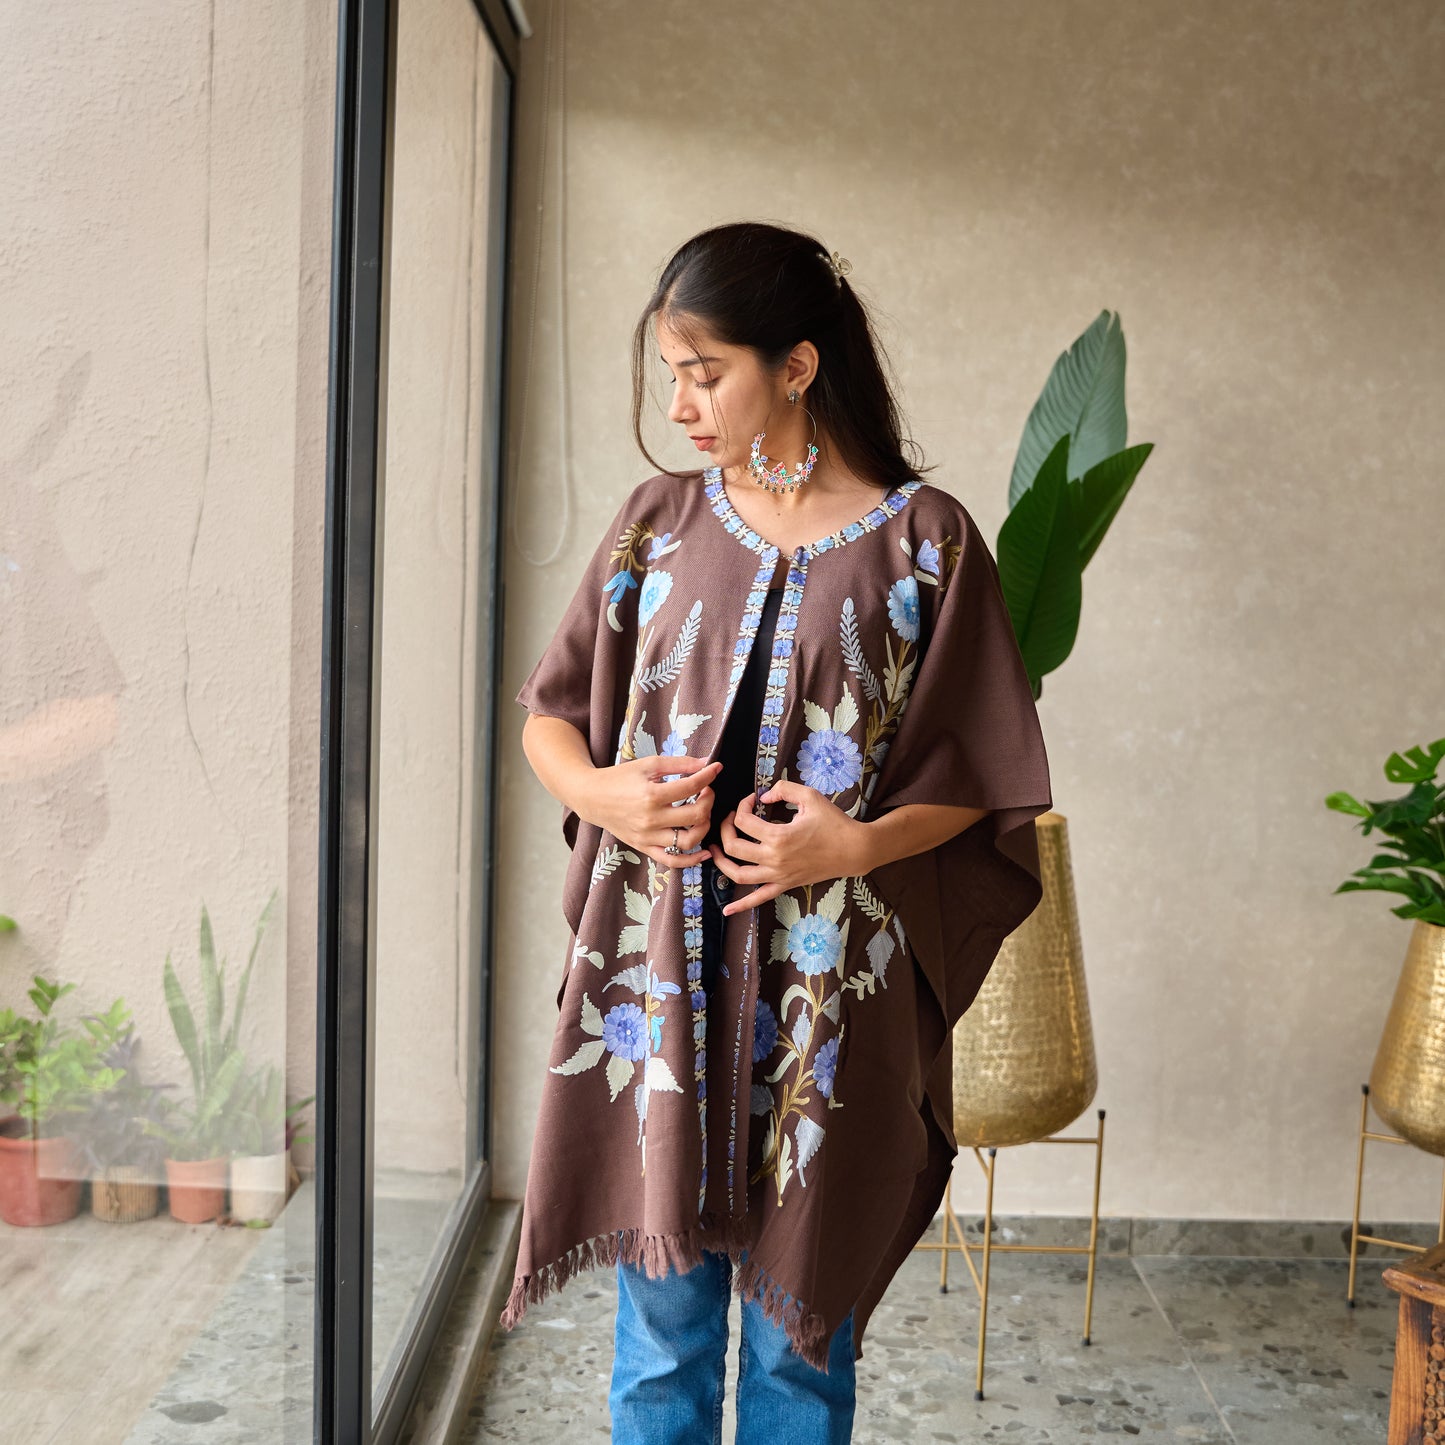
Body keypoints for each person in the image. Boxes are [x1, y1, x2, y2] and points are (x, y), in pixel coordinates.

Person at [504, 221, 1053, 1444]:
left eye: (707, 373)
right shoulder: (656, 521)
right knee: (660, 1342)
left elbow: (983, 769)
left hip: (828, 995)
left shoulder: (927, 542)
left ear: (795, 366)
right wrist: (604, 797)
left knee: (802, 1352)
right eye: (672, 377)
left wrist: (852, 847)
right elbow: (550, 715)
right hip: (663, 985)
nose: (683, 404)